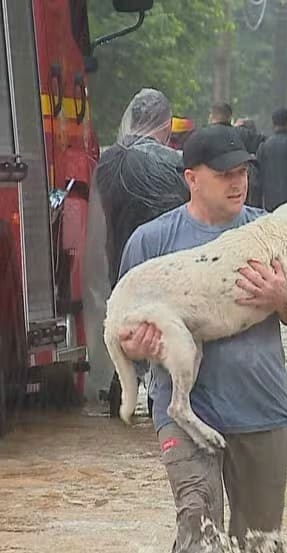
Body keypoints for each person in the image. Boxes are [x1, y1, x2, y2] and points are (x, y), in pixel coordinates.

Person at [116, 124, 287, 551]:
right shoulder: (153, 241)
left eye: (243, 172)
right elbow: (119, 329)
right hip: (185, 413)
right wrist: (134, 347)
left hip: (262, 409)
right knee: (198, 532)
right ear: (191, 179)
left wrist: (282, 297)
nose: (238, 183)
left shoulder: (272, 232)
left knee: (260, 542)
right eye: (224, 174)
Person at [88, 88, 191, 417]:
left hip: (117, 257)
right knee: (161, 327)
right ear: (165, 125)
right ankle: (157, 401)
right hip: (161, 261)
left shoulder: (107, 161)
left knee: (122, 321)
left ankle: (118, 390)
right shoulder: (174, 163)